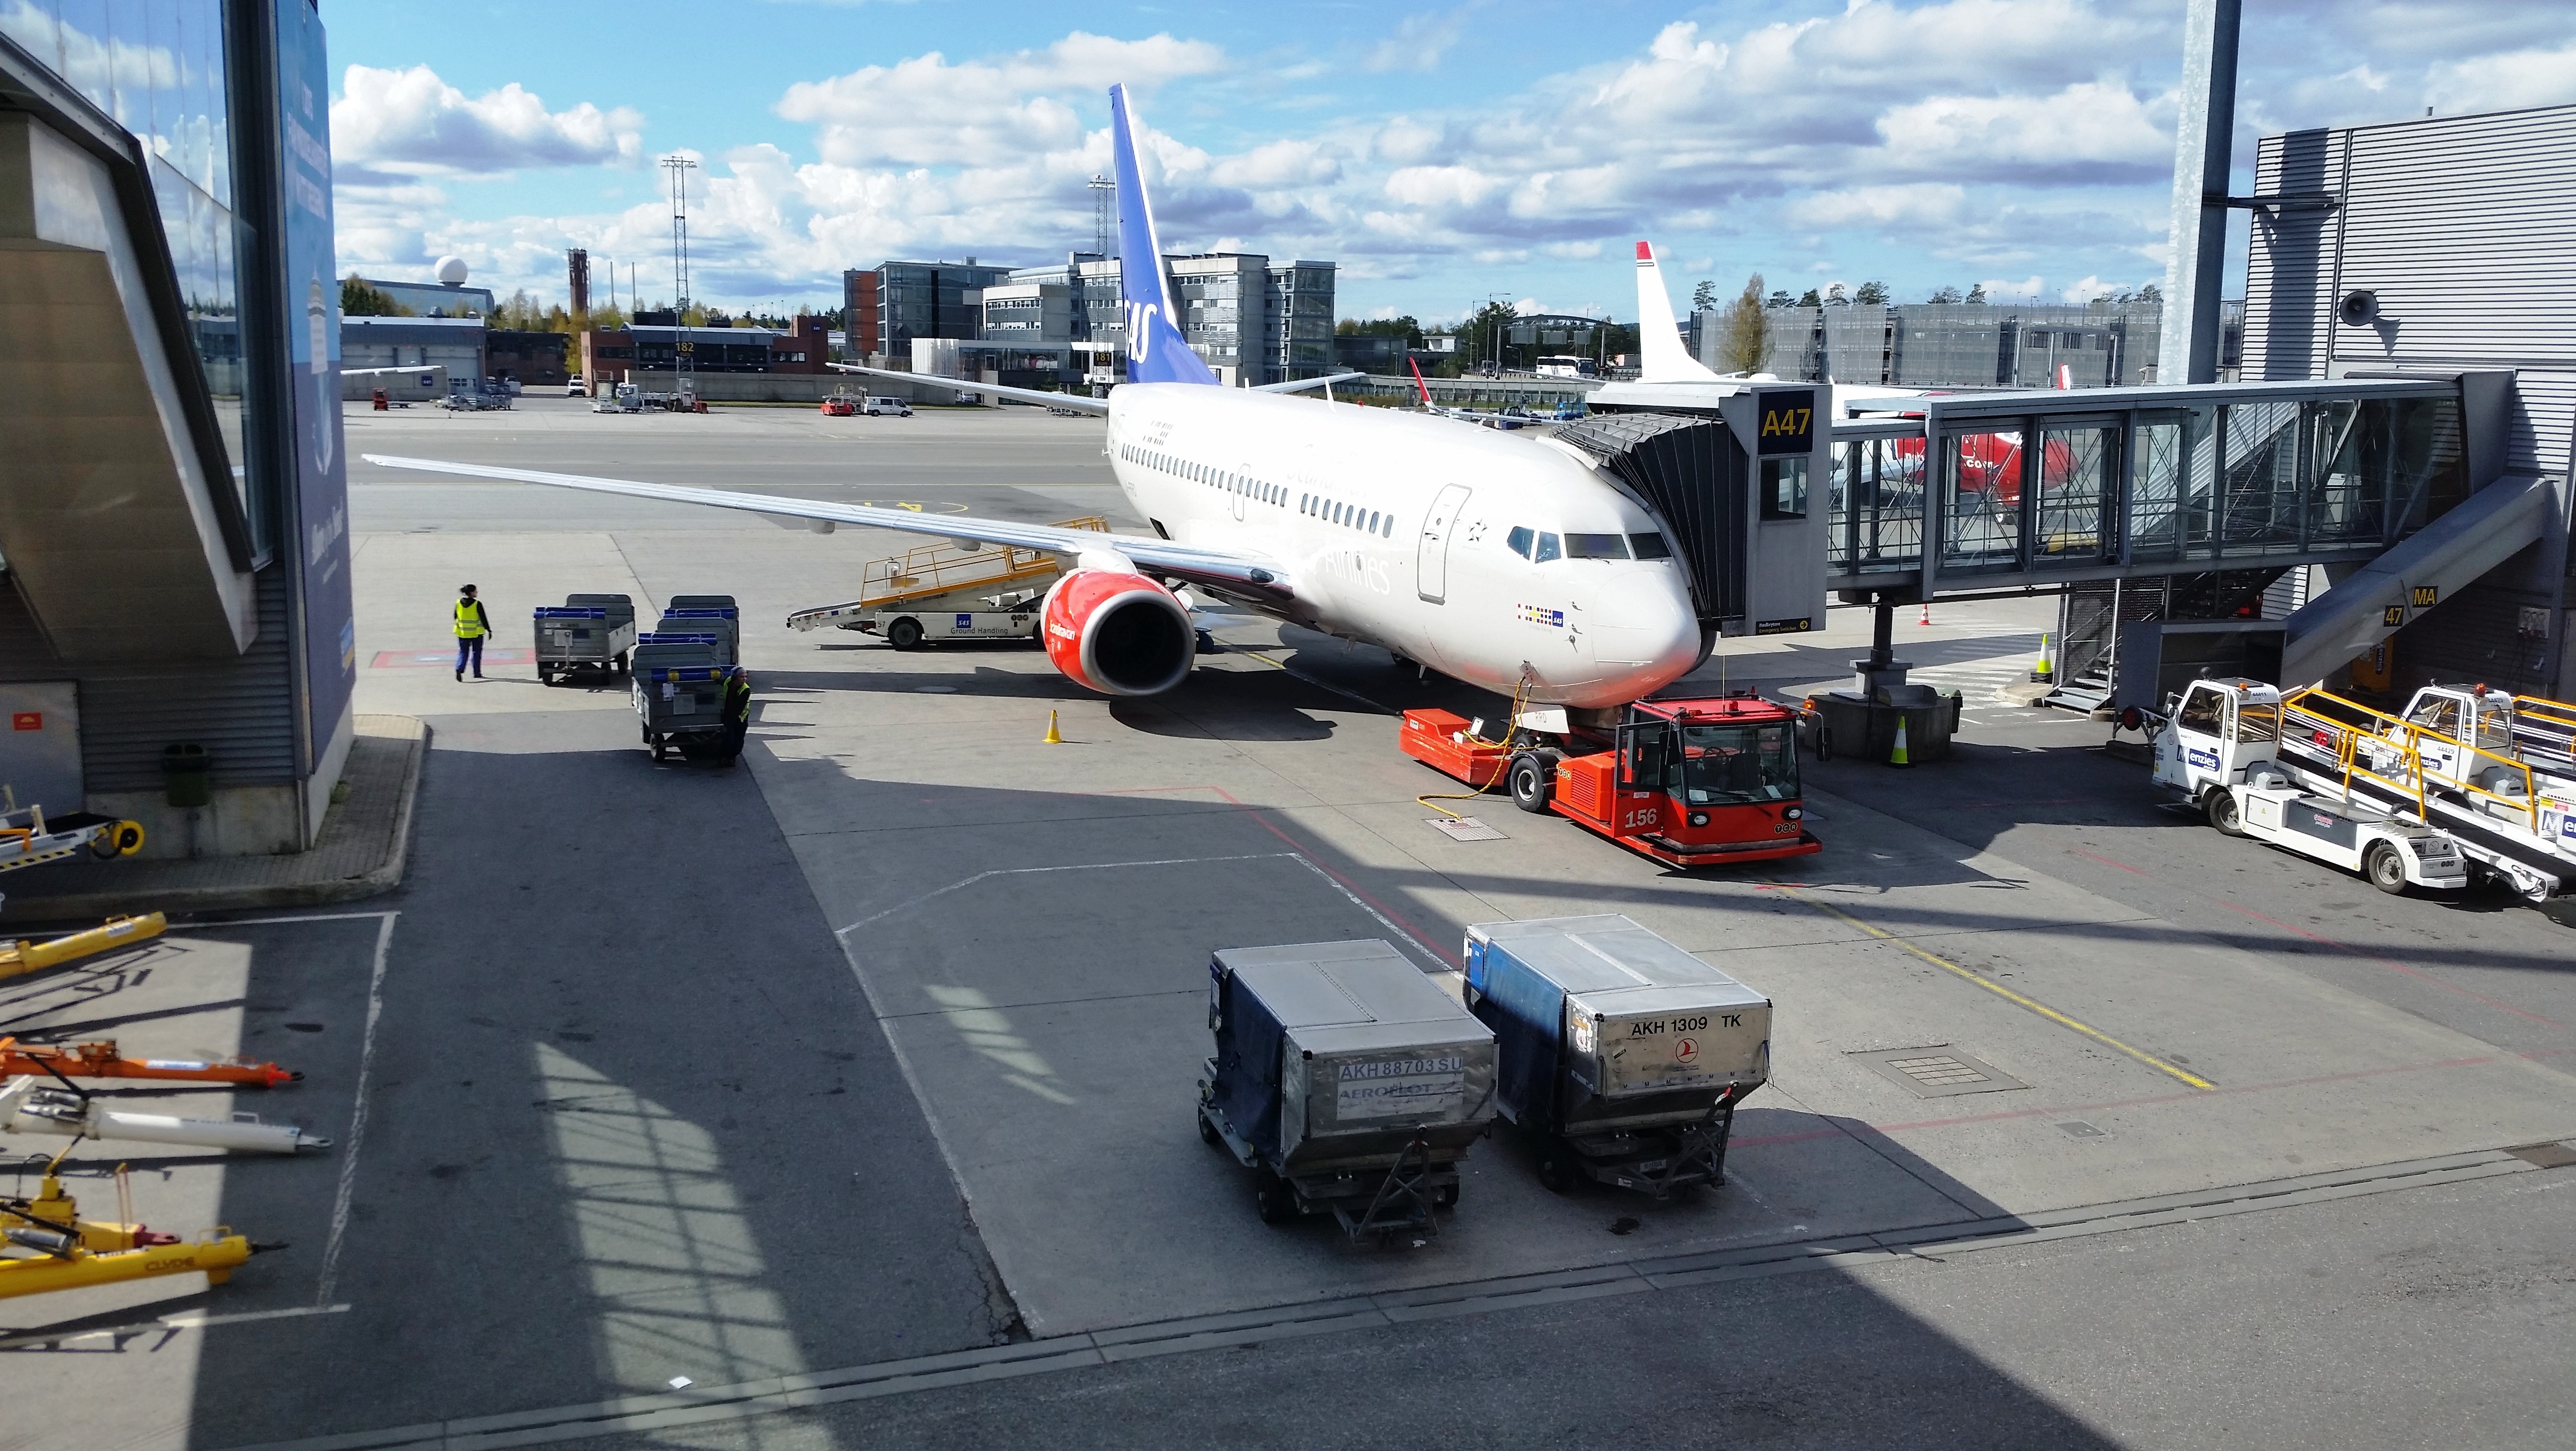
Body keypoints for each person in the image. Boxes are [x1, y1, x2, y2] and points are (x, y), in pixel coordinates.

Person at [453, 584, 492, 680]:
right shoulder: (477, 604)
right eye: (476, 591)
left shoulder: (458, 603)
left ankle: (459, 668)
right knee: (477, 653)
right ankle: (477, 673)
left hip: (463, 633)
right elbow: (483, 618)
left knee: (463, 652)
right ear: (471, 593)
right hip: (476, 633)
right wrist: (489, 630)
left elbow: (455, 616)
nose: (477, 593)